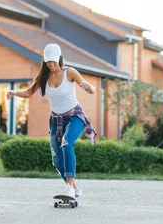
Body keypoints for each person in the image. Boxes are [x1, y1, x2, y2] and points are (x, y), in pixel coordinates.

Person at [6, 43, 97, 200]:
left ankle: (68, 187)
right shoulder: (43, 78)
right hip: (56, 120)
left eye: (54, 61)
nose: (52, 64)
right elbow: (29, 92)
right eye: (48, 61)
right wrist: (15, 92)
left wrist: (89, 88)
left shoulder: (70, 72)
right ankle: (74, 189)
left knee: (67, 143)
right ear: (45, 61)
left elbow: (89, 88)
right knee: (57, 161)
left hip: (75, 116)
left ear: (59, 59)